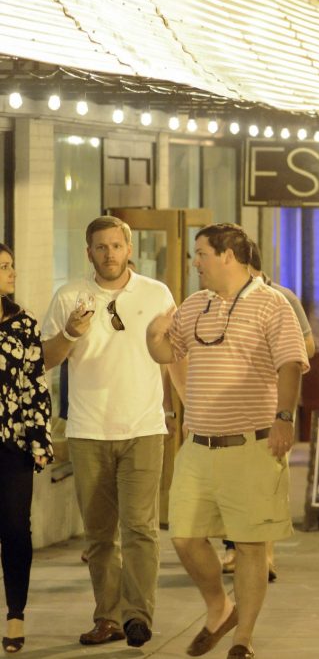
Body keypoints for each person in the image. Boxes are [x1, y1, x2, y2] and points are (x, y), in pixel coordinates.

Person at [145, 223, 309, 659]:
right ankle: (220, 607)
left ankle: (243, 639)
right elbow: (167, 354)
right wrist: (152, 334)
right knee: (183, 536)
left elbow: (291, 364)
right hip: (198, 444)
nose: (194, 262)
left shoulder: (273, 304)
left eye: (201, 253)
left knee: (252, 545)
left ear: (228, 256)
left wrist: (283, 419)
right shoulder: (195, 304)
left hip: (252, 444)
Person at [41, 216, 176, 649]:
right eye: (101, 247)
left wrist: (175, 410)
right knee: (99, 535)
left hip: (143, 428)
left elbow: (173, 354)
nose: (110, 254)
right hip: (88, 431)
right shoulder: (70, 296)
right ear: (88, 253)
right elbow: (44, 359)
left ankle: (138, 616)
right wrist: (70, 333)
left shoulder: (157, 294)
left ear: (129, 247)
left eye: (117, 245)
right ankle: (108, 617)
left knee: (140, 528)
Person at [221, 242, 316, 579]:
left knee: (266, 487)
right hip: (228, 410)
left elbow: (307, 346)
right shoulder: (217, 298)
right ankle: (232, 550)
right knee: (229, 486)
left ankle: (267, 558)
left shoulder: (282, 298)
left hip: (269, 406)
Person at [0, 244, 53, 654]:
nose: (12, 273)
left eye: (12, 265)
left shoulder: (24, 324)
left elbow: (35, 387)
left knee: (16, 529)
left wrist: (39, 441)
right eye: (3, 267)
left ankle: (15, 614)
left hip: (13, 444)